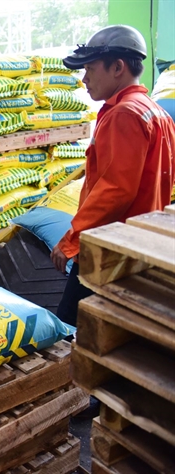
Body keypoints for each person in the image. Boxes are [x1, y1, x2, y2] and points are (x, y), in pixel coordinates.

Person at [51, 25, 175, 326]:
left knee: (71, 327)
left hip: (109, 247)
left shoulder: (124, 114)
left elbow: (115, 190)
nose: (85, 79)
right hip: (141, 244)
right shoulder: (156, 112)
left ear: (118, 67)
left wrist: (72, 239)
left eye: (90, 69)